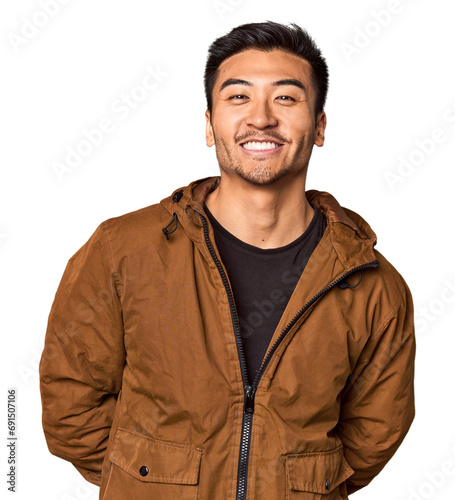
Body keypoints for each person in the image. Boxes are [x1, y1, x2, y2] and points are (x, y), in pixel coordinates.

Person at [39, 21, 415, 500]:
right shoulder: (123, 250)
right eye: (238, 97)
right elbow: (70, 402)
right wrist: (152, 482)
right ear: (209, 122)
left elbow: (375, 433)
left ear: (319, 126)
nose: (260, 118)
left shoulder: (373, 284)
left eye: (286, 98)